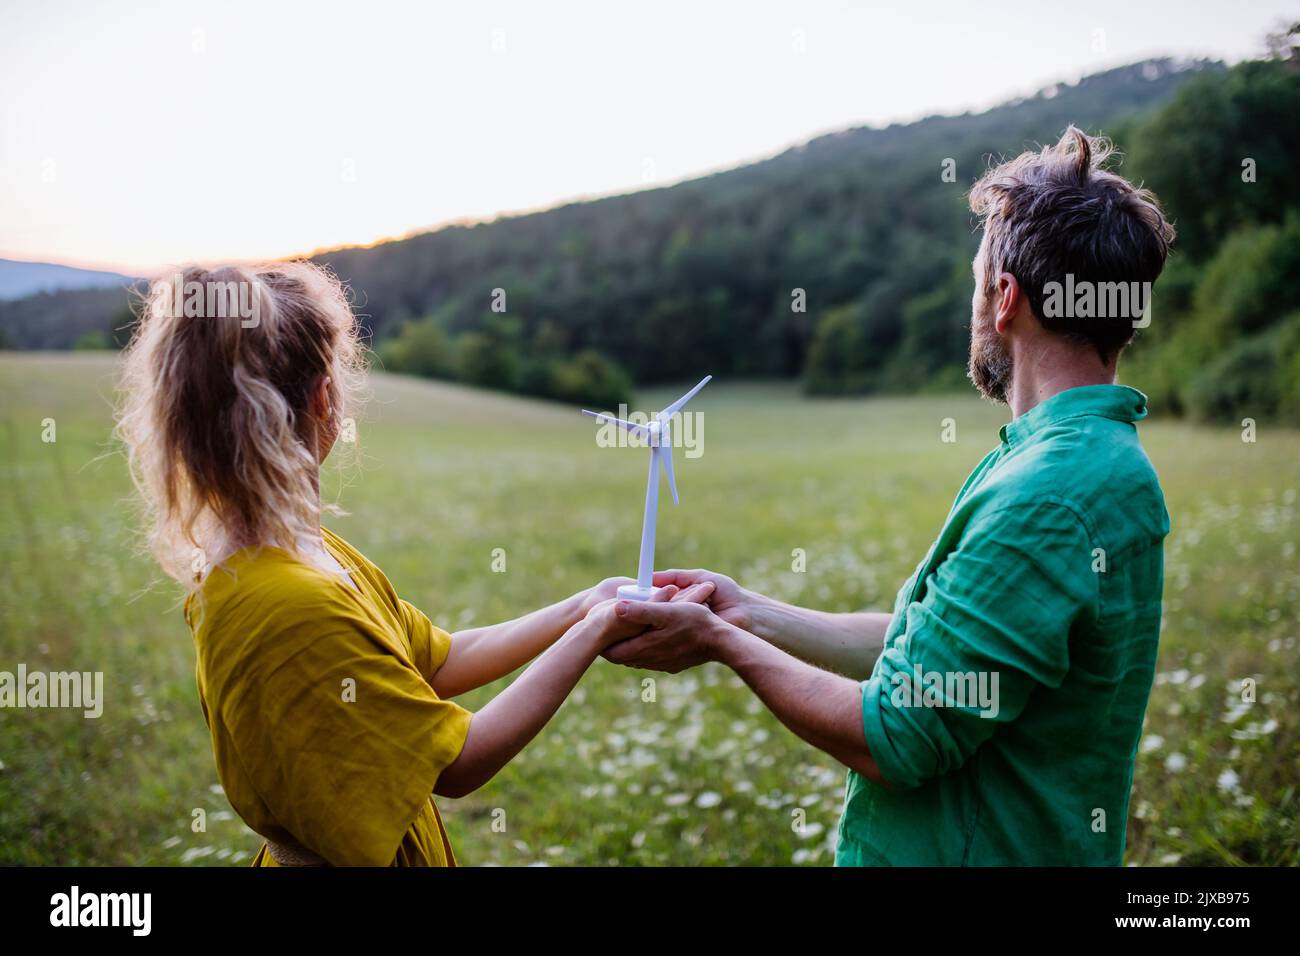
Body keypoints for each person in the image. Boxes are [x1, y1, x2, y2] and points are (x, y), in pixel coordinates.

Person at [603, 126, 1176, 865]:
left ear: (1005, 300)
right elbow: (939, 657)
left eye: (977, 285)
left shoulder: (1051, 494)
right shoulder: (1080, 459)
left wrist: (721, 644)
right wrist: (750, 613)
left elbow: (897, 736)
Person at [115, 260, 712, 866]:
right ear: (324, 400)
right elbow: (458, 763)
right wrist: (593, 633)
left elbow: (439, 661)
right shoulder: (289, 601)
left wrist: (584, 605)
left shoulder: (297, 554)